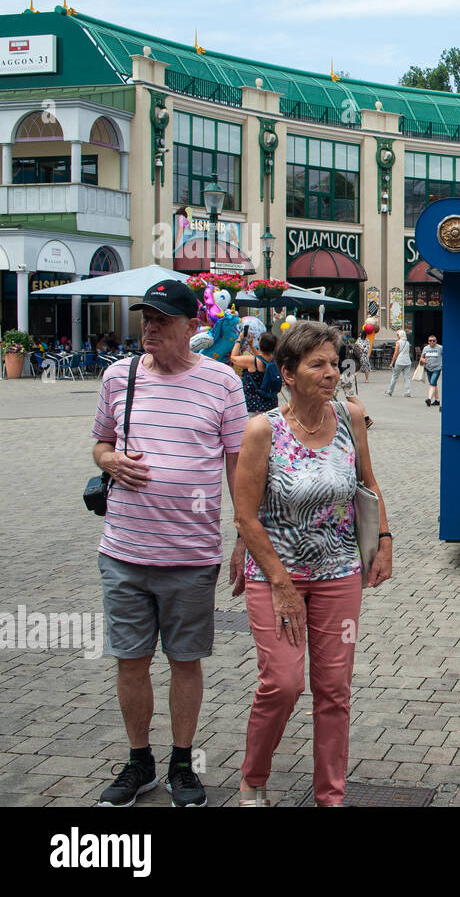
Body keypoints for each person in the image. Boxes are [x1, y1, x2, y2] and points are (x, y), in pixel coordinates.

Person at [91, 280, 248, 807]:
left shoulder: (223, 382)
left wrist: (245, 537)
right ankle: (140, 763)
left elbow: (237, 467)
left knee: (185, 659)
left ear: (192, 327)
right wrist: (109, 461)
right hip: (124, 551)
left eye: (161, 319)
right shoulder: (120, 376)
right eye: (145, 318)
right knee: (130, 659)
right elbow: (100, 443)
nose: (150, 327)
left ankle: (183, 763)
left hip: (190, 555)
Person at [233, 321, 393, 807]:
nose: (330, 373)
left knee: (333, 689)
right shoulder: (263, 430)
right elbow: (244, 515)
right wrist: (279, 581)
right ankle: (253, 776)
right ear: (287, 372)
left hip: (339, 572)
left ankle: (331, 795)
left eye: (333, 363)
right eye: (317, 365)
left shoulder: (350, 417)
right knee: (282, 683)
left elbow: (367, 483)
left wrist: (383, 540)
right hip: (275, 574)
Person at [231, 330, 281, 415]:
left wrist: (239, 339)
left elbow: (233, 358)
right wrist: (251, 345)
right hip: (271, 405)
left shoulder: (252, 361)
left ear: (260, 344)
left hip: (253, 407)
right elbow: (262, 357)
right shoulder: (275, 361)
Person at [385, 330, 413, 397]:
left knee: (395, 377)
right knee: (407, 378)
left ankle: (389, 391)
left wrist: (392, 362)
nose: (397, 336)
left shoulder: (398, 342)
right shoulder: (407, 343)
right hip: (407, 361)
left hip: (400, 361)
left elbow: (395, 353)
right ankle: (408, 392)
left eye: (397, 335)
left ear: (400, 335)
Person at [421, 334, 443, 407]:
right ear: (428, 341)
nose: (432, 342)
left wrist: (443, 367)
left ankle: (429, 399)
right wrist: (423, 360)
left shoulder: (440, 348)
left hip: (437, 369)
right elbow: (421, 357)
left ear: (436, 341)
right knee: (433, 384)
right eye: (430, 341)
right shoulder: (426, 348)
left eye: (433, 341)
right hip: (428, 369)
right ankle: (437, 400)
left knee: (432, 383)